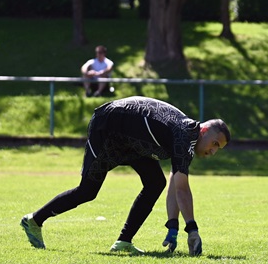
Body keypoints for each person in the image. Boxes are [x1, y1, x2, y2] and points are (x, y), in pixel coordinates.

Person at [20, 96, 230, 255]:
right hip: (109, 127)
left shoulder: (188, 138)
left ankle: (123, 242)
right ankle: (34, 221)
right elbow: (182, 189)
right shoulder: (184, 137)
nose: (213, 151)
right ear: (204, 131)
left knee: (156, 182)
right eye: (214, 144)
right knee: (87, 191)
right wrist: (192, 229)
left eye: (218, 149)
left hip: (132, 141)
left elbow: (176, 183)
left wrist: (173, 226)